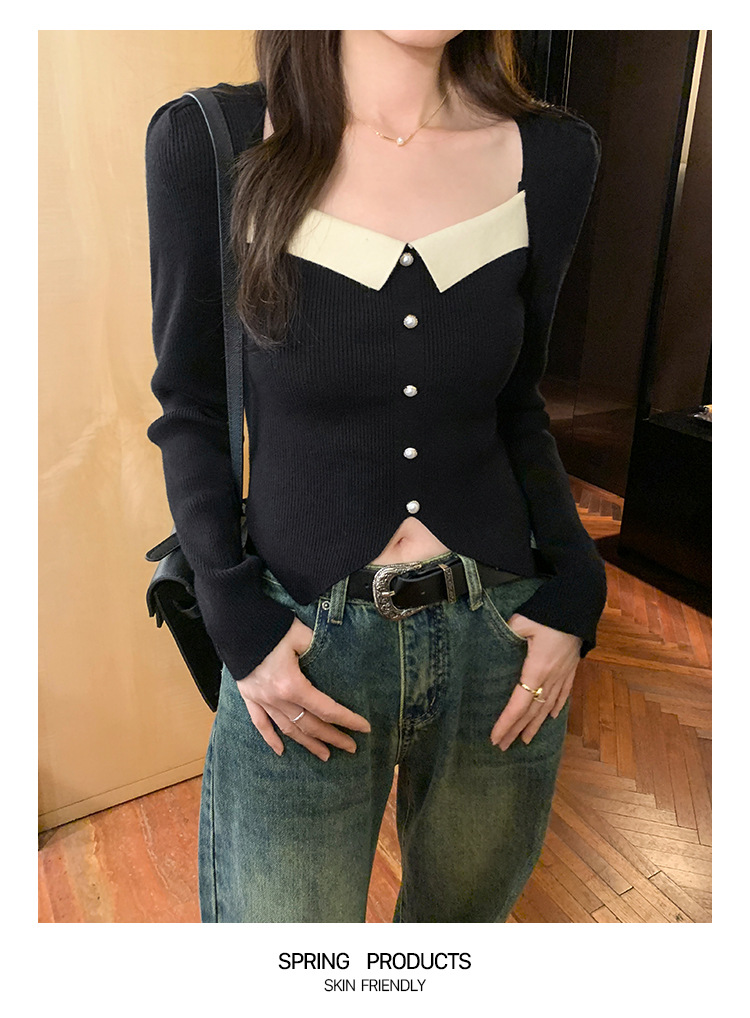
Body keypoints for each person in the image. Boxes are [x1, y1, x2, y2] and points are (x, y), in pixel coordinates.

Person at [145, 29, 607, 923]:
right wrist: (237, 617)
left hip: (505, 642)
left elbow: (520, 402)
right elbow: (189, 407)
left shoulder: (554, 155)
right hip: (303, 646)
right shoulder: (208, 141)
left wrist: (576, 592)